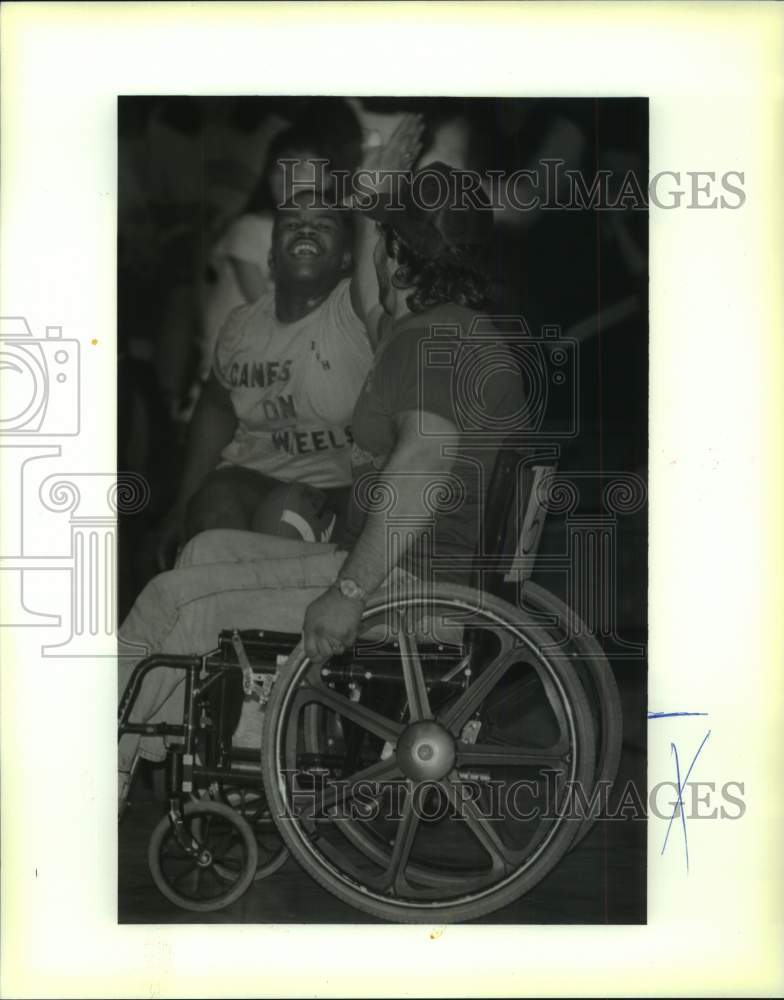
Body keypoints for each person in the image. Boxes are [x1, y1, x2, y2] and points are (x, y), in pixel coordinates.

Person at [119, 117, 524, 803]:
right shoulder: (445, 328)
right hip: (414, 572)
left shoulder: (434, 343)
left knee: (168, 599)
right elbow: (375, 303)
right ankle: (171, 745)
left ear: (399, 254)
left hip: (407, 592)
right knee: (209, 548)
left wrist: (348, 594)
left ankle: (102, 772)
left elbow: (422, 467)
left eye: (385, 239)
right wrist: (375, 199)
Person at [156, 189, 373, 569]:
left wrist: (375, 191)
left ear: (346, 258)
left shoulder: (356, 310)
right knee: (211, 508)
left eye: (323, 225)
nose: (306, 231)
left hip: (335, 492)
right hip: (250, 477)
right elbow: (216, 407)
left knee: (285, 516)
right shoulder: (242, 325)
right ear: (272, 255)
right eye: (292, 225)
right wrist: (182, 505)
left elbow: (376, 253)